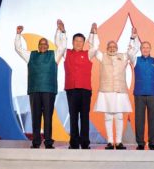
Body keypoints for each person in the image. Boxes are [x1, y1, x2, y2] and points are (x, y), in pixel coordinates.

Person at [15, 23, 65, 149]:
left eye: (45, 44)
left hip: (48, 90)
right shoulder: (31, 55)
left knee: (48, 117)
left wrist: (60, 31)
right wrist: (18, 35)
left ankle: (48, 142)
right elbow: (18, 49)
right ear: (38, 46)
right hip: (35, 90)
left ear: (48, 46)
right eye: (41, 44)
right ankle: (36, 142)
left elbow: (62, 46)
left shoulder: (54, 55)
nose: (43, 46)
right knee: (35, 117)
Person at [93, 27, 139, 150]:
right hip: (106, 91)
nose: (112, 48)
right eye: (110, 46)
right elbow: (94, 48)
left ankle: (118, 142)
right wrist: (95, 33)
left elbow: (132, 51)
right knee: (108, 116)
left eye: (114, 46)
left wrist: (133, 38)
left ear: (117, 48)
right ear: (107, 48)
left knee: (119, 116)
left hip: (119, 91)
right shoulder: (102, 56)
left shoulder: (123, 57)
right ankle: (109, 141)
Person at [56, 20, 98, 149]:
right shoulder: (66, 52)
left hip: (85, 90)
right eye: (76, 41)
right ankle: (74, 142)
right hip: (71, 89)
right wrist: (62, 31)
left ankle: (85, 142)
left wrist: (93, 33)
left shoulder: (88, 54)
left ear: (84, 43)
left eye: (81, 41)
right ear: (72, 42)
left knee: (84, 116)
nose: (78, 43)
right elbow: (59, 44)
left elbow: (95, 47)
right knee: (73, 116)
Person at [131, 40, 154, 150]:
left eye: (147, 47)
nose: (145, 49)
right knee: (139, 119)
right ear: (140, 49)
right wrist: (133, 38)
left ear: (150, 49)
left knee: (153, 119)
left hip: (152, 93)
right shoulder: (135, 60)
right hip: (139, 93)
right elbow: (130, 53)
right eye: (143, 47)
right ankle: (140, 143)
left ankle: (152, 142)